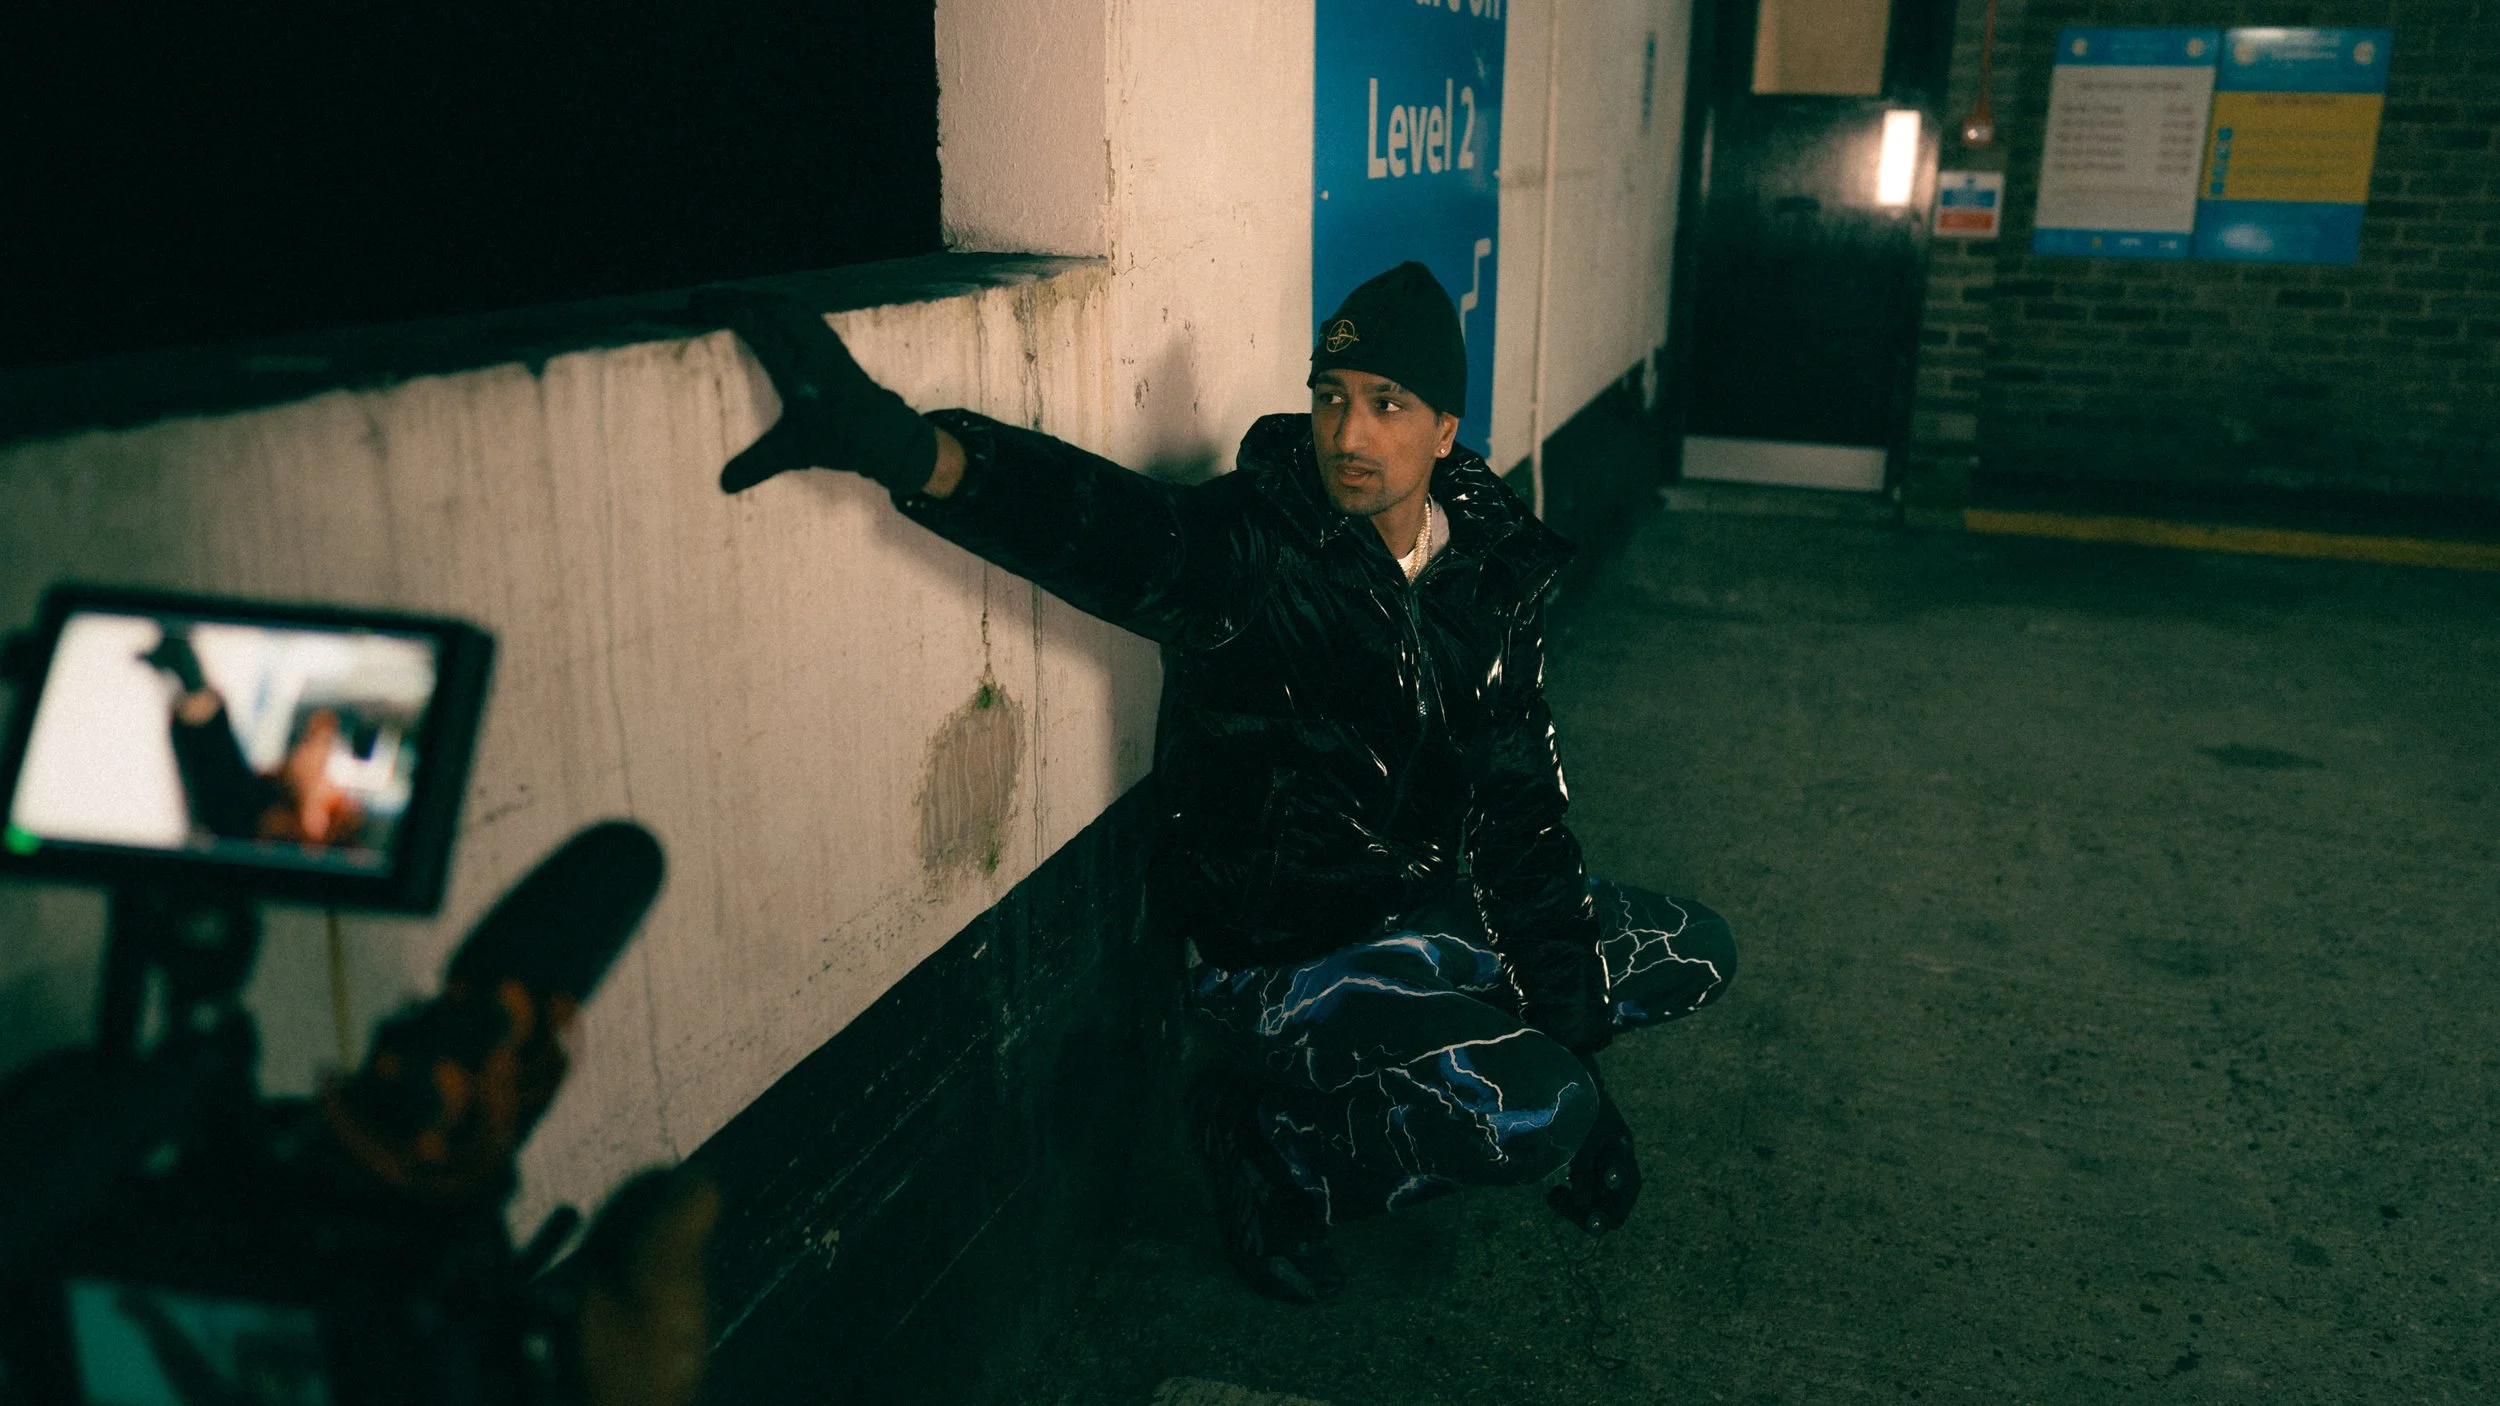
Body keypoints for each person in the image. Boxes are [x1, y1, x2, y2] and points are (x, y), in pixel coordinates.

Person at [705, 262, 1737, 1302]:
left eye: (1387, 404)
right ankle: (1265, 1145)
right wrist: (909, 448)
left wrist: (1585, 1054)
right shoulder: (1254, 549)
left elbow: (1521, 822)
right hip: (1282, 959)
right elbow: (1108, 528)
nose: (1349, 432)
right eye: (1330, 396)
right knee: (1534, 1106)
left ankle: (1465, 1032)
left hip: (1423, 914)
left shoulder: (1487, 581)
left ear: (1443, 429)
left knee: (1689, 952)